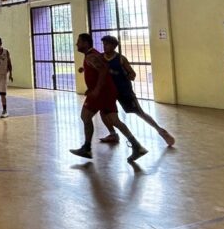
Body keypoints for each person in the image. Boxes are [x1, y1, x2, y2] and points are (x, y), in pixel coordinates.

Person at [69, 33, 147, 163]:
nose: (77, 44)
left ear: (86, 43)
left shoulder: (91, 56)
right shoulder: (93, 55)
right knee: (114, 121)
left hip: (101, 93)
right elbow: (100, 69)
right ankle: (137, 146)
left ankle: (87, 148)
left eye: (79, 41)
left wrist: (97, 89)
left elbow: (103, 70)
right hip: (105, 92)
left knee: (85, 116)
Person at [97, 36, 175, 146]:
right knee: (103, 112)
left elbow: (132, 74)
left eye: (107, 44)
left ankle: (160, 130)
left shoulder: (121, 59)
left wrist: (122, 75)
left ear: (114, 46)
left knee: (139, 112)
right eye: (104, 44)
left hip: (124, 91)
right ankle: (113, 134)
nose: (104, 46)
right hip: (109, 91)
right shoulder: (100, 58)